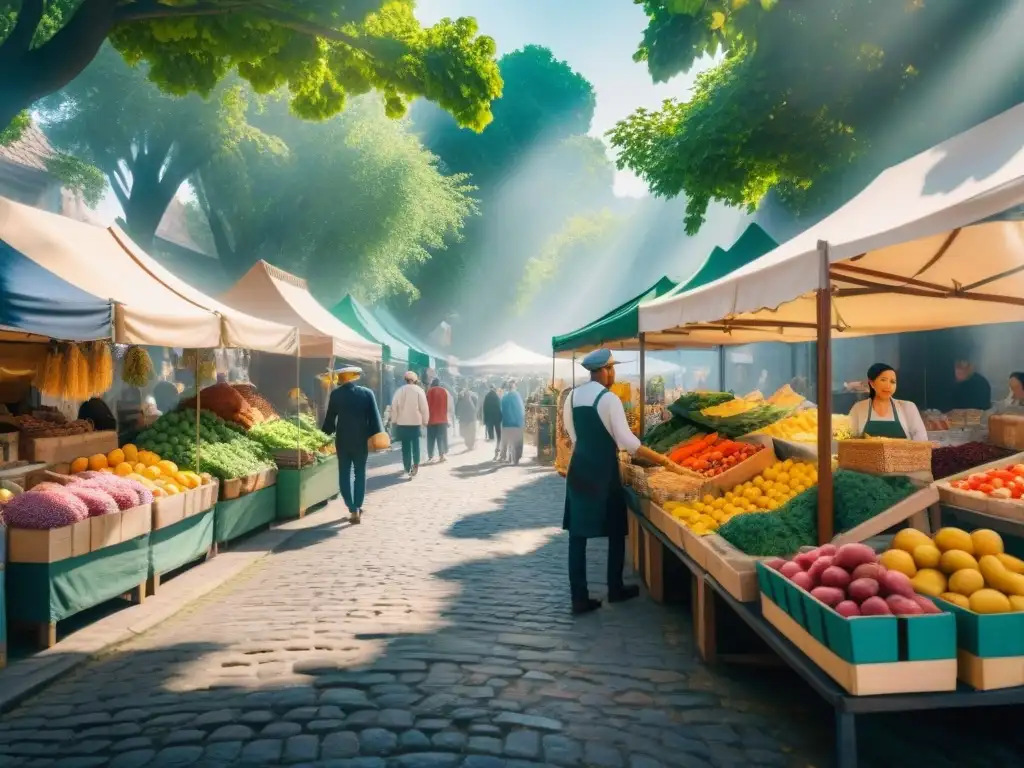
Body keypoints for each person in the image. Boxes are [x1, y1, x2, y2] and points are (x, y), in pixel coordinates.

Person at [562, 348, 688, 615]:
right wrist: (664, 461)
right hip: (603, 471)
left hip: (579, 470)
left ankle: (579, 598)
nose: (614, 373)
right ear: (605, 370)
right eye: (612, 368)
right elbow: (628, 443)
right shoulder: (609, 399)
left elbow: (573, 435)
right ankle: (615, 588)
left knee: (577, 535)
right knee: (616, 528)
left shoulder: (571, 397)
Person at [322, 366, 384, 525]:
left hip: (342, 440)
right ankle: (358, 506)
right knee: (360, 473)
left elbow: (330, 421)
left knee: (344, 473)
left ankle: (351, 507)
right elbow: (375, 420)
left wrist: (322, 438)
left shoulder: (336, 395)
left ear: (341, 379)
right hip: (361, 440)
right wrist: (374, 438)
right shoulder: (367, 393)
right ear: (355, 377)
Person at [848, 363, 928, 441]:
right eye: (883, 380)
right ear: (872, 383)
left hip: (903, 454)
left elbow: (921, 441)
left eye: (892, 382)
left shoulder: (908, 407)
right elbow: (848, 441)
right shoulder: (858, 408)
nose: (888, 386)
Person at [391, 370, 429, 476]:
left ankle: (407, 467)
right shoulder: (419, 390)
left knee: (405, 446)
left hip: (402, 423)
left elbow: (394, 407)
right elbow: (424, 407)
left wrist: (394, 420)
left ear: (405, 380)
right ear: (415, 380)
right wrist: (425, 420)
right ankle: (416, 465)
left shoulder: (400, 391)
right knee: (415, 445)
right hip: (415, 423)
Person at [499, 380, 526, 464]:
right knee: (517, 443)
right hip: (517, 424)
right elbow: (522, 410)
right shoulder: (517, 396)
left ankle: (505, 456)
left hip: (507, 423)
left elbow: (501, 410)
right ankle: (516, 458)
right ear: (515, 387)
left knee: (505, 441)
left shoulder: (505, 397)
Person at [426, 378, 449, 463]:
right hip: (442, 419)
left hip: (431, 419)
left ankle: (430, 456)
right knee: (441, 438)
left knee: (431, 438)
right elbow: (447, 405)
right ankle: (441, 456)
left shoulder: (429, 391)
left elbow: (427, 405)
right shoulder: (444, 391)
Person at [483, 385, 502, 450]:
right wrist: (501, 416)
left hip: (489, 417)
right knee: (498, 432)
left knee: (491, 432)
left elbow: (484, 408)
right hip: (497, 417)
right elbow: (499, 407)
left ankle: (493, 441)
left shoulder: (487, 396)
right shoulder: (496, 397)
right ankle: (498, 445)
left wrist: (485, 420)